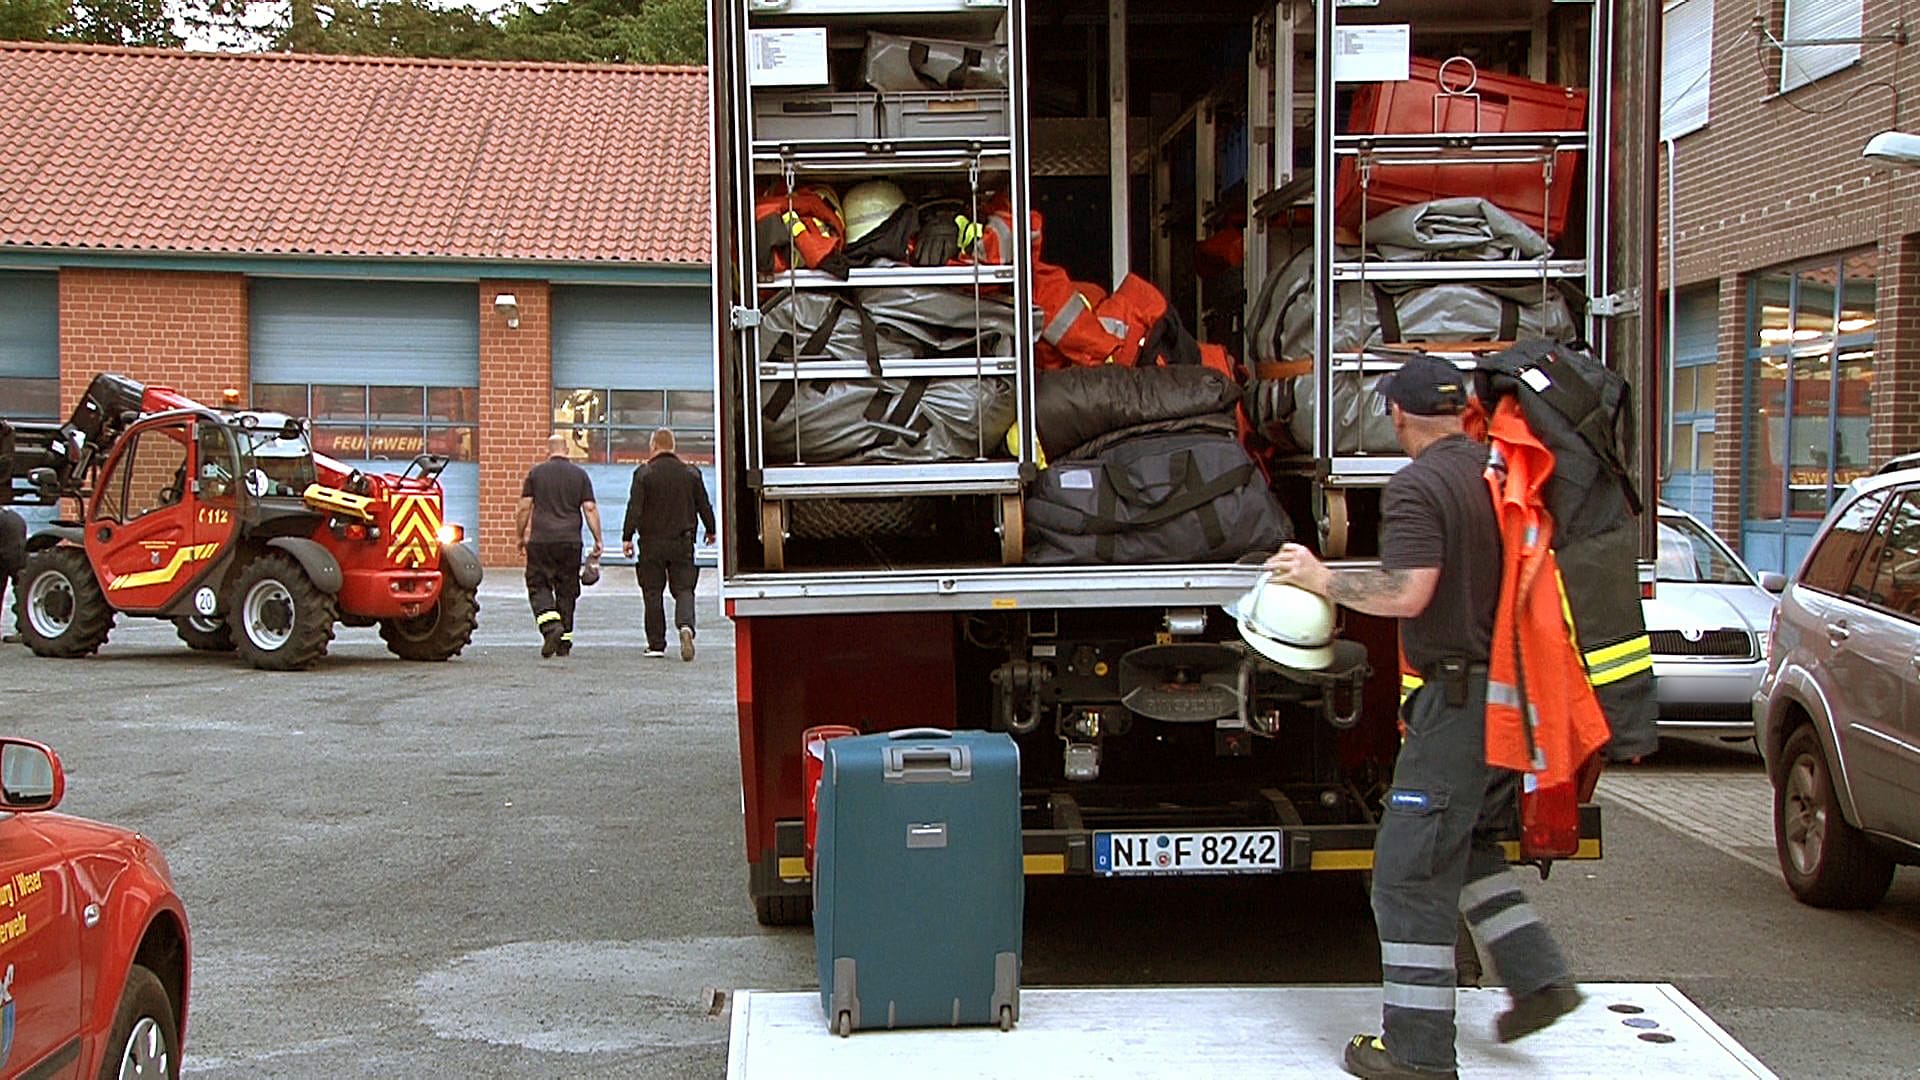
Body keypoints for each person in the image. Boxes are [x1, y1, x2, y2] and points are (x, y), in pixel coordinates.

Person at [1265, 355, 1580, 1080]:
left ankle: (1416, 1050)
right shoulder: (1495, 472)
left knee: (1406, 875)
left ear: (1397, 417)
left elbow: (1409, 592)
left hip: (1457, 705)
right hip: (1504, 701)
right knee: (1463, 847)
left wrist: (1322, 576)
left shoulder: (1418, 487)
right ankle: (1538, 980)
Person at [620, 428, 715, 661]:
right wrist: (711, 529)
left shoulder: (644, 473)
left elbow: (635, 508)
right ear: (673, 446)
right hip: (682, 542)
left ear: (653, 446)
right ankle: (685, 626)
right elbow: (704, 504)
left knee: (652, 592)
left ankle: (656, 644)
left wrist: (627, 537)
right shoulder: (691, 473)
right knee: (684, 589)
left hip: (651, 543)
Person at [517, 433, 602, 659]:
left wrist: (520, 535)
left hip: (541, 540)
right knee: (567, 591)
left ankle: (550, 628)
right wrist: (598, 540)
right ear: (567, 450)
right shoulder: (580, 475)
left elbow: (524, 507)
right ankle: (564, 643)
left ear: (548, 450)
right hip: (570, 541)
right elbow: (590, 508)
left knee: (538, 586)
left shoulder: (536, 473)